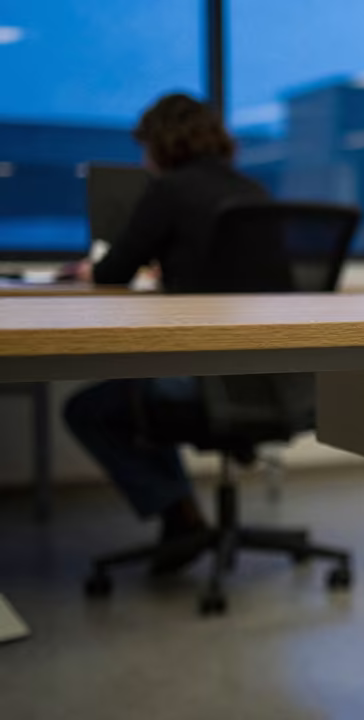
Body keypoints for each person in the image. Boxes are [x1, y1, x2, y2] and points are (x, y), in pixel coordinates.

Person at [64, 93, 275, 572]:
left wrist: (87, 272)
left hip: (202, 376)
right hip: (270, 376)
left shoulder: (170, 191)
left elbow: (114, 272)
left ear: (161, 144)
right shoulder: (253, 191)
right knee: (148, 385)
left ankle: (179, 514)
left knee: (90, 409)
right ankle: (182, 514)